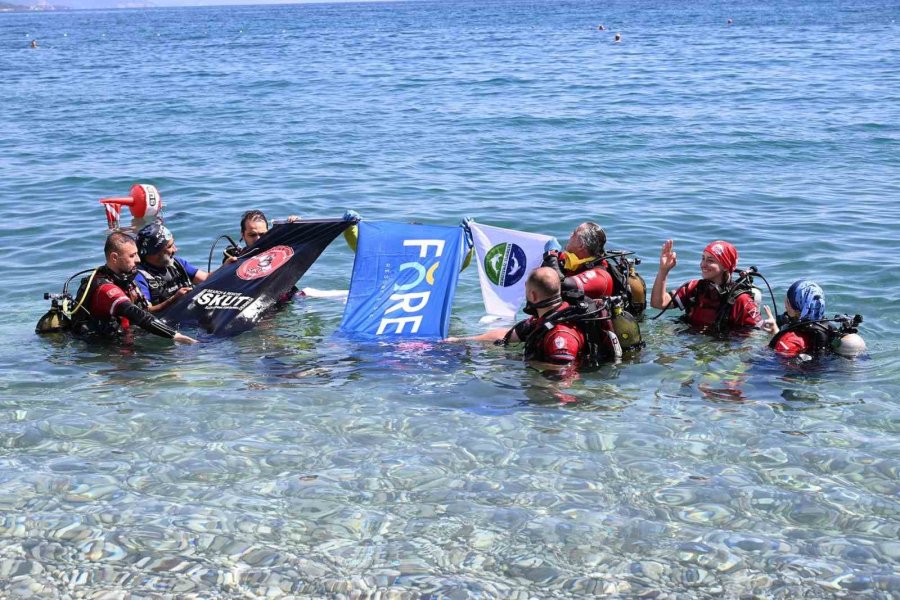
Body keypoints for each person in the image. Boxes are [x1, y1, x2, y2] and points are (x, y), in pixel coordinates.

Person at [68, 232, 195, 343]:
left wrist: (174, 299)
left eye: (137, 254)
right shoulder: (105, 289)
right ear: (114, 258)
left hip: (125, 339)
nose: (138, 260)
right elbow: (137, 315)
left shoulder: (125, 279)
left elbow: (146, 310)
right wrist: (175, 336)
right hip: (105, 352)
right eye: (132, 256)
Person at [449, 267, 585, 368]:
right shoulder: (544, 318)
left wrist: (521, 360)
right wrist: (461, 341)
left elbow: (564, 372)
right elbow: (506, 335)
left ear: (533, 296)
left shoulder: (560, 334)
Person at [651, 239, 761, 332]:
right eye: (703, 258)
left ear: (726, 266)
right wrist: (663, 270)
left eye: (710, 260)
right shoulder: (694, 288)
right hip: (691, 343)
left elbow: (754, 338)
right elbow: (658, 303)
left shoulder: (742, 301)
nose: (703, 264)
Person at [543, 222, 647, 315]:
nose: (570, 235)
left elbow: (559, 285)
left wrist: (550, 255)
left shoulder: (600, 277)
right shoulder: (574, 261)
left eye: (574, 233)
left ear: (581, 245)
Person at [761, 279, 867, 358]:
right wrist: (776, 332)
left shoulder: (789, 340)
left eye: (788, 301)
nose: (785, 304)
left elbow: (773, 369)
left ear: (796, 306)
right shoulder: (829, 328)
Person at [134, 223, 208, 313]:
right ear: (154, 253)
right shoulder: (139, 277)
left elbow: (207, 279)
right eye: (169, 246)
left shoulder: (176, 263)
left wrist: (226, 266)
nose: (175, 249)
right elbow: (144, 312)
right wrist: (174, 300)